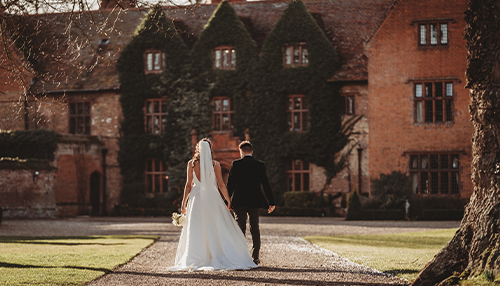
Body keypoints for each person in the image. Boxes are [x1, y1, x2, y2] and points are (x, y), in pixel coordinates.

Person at [169, 138, 257, 271]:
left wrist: (183, 204)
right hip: (212, 196)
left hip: (196, 197)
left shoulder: (191, 164)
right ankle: (217, 253)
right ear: (209, 149)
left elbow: (188, 185)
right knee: (216, 224)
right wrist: (228, 200)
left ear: (198, 149)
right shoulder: (215, 164)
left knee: (197, 226)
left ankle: (195, 256)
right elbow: (221, 185)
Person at [227, 141, 275, 265]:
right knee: (255, 228)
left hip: (239, 201)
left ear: (241, 151)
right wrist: (271, 202)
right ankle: (255, 257)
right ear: (251, 152)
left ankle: (241, 256)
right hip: (255, 200)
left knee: (240, 227)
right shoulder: (259, 165)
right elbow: (266, 184)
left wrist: (226, 201)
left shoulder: (236, 164)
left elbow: (230, 185)